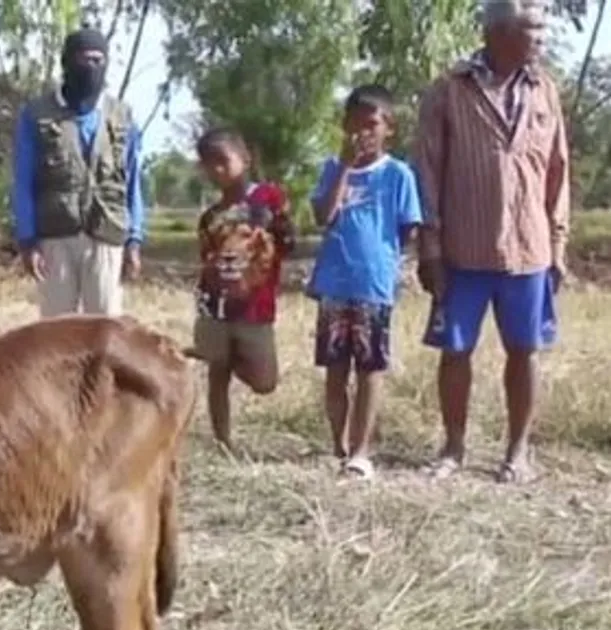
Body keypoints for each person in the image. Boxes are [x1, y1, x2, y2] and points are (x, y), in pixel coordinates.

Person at [414, 0, 569, 484]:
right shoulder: (450, 88)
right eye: (532, 30)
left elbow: (558, 171)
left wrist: (558, 244)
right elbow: (427, 171)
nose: (541, 40)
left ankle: (517, 452)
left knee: (525, 350)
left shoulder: (544, 90)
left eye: (543, 31)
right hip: (464, 248)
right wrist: (431, 247)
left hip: (529, 249)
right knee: (455, 351)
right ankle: (453, 447)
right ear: (500, 33)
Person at [307, 85, 422, 480]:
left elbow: (408, 229)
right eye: (355, 123)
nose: (363, 132)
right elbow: (323, 215)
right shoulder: (331, 169)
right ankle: (337, 445)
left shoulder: (397, 174)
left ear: (388, 127)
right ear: (343, 126)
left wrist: (388, 267)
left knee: (370, 368)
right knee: (335, 369)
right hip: (334, 285)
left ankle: (361, 451)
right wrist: (343, 168)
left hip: (372, 285)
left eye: (372, 124)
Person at [10, 26, 144, 318]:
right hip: (55, 235)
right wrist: (27, 240)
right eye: (85, 59)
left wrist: (134, 239)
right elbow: (23, 182)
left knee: (106, 330)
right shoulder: (36, 114)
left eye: (99, 60)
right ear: (67, 62)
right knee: (56, 335)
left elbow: (133, 181)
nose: (92, 67)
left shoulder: (122, 116)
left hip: (106, 233)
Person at [190, 128, 296, 450]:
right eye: (209, 164)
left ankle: (234, 358)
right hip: (215, 309)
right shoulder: (211, 216)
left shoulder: (269, 199)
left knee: (265, 382)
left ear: (245, 159)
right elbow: (207, 261)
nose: (217, 170)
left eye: (223, 161)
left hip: (255, 309)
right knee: (216, 373)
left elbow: (288, 242)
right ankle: (222, 440)